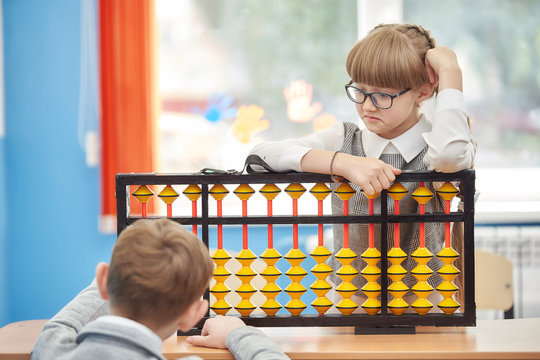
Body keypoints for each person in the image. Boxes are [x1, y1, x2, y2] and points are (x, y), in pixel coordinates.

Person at [248, 24, 476, 304]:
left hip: (426, 303)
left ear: (423, 91)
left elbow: (448, 157)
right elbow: (259, 157)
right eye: (360, 90)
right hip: (347, 302)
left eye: (383, 95)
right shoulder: (343, 140)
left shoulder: (441, 146)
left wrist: (451, 72)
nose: (367, 106)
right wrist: (341, 162)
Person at [31, 219, 289, 360]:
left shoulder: (53, 351)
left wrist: (116, 276)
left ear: (103, 280)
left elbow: (60, 325)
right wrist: (237, 334)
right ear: (195, 314)